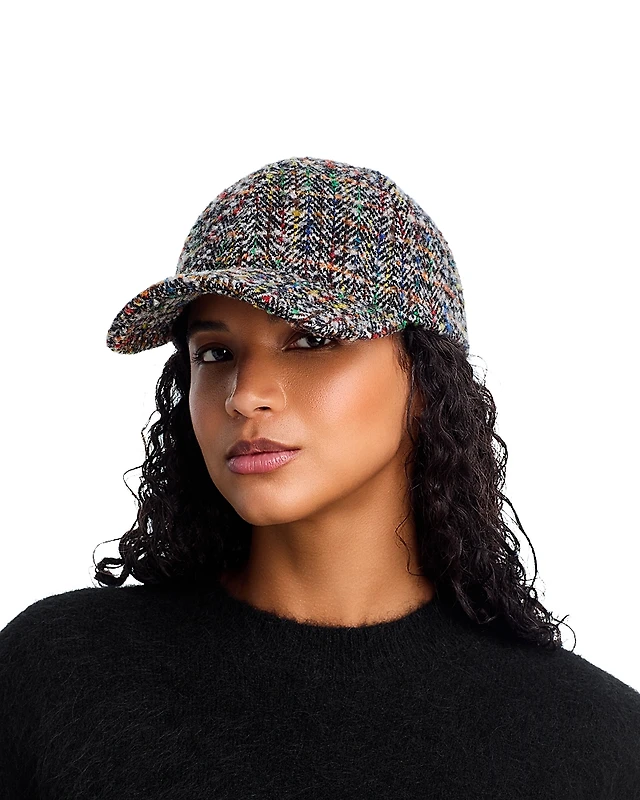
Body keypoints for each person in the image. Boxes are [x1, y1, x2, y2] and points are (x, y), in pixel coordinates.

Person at [1, 156, 638, 798]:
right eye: (215, 353)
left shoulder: (597, 744)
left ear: (426, 377)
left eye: (308, 341)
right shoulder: (57, 676)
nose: (244, 395)